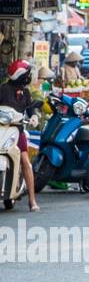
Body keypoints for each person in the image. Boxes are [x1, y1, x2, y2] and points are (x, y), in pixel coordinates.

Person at [0, 60, 42, 211]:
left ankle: (32, 200)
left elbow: (30, 110)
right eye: (27, 74)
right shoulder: (3, 89)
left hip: (17, 131)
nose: (28, 77)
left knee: (25, 161)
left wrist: (34, 117)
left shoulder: (26, 92)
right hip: (1, 129)